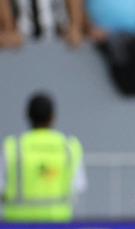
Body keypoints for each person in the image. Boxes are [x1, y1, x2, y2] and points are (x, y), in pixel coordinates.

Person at [1, 92, 87, 222]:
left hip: (17, 228)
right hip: (57, 226)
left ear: (28, 116)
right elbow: (77, 186)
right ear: (53, 117)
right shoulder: (69, 146)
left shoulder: (12, 146)